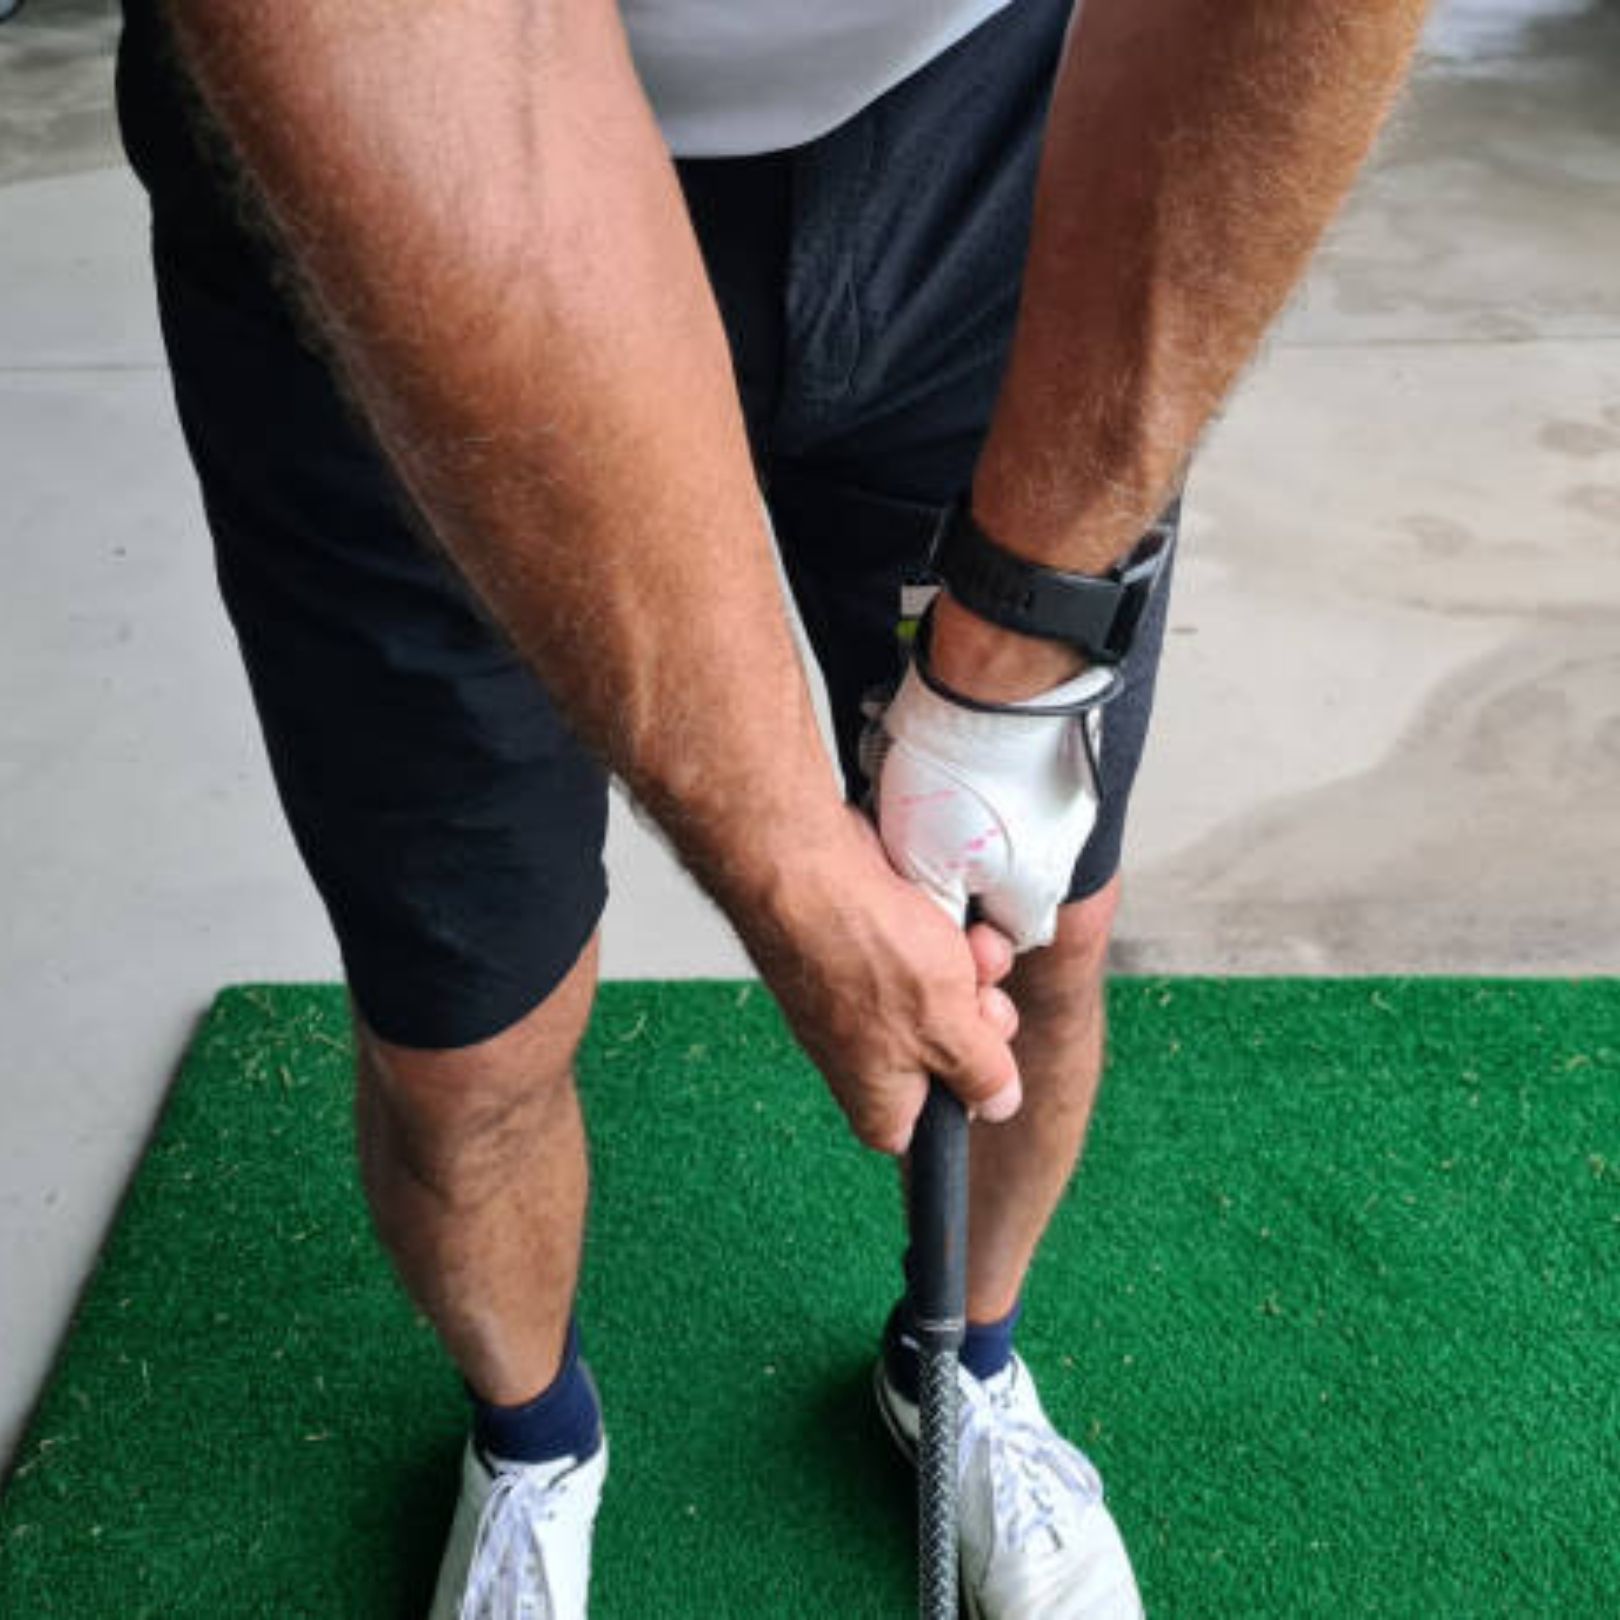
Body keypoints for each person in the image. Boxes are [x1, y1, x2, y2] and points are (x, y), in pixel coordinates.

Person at [115, 0, 1427, 1613]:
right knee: (467, 1052)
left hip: (983, 136)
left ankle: (961, 1367)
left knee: (1037, 935)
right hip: (395, 171)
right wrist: (787, 859)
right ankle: (534, 1445)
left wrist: (1028, 626)